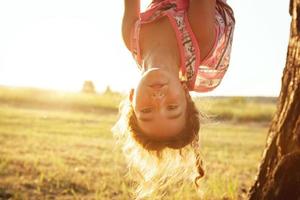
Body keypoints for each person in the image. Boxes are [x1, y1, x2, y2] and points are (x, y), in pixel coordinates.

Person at [112, 0, 235, 198]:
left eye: (146, 111)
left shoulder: (131, 37)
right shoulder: (199, 35)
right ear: (186, 95)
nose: (158, 99)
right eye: (172, 107)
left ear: (132, 98)